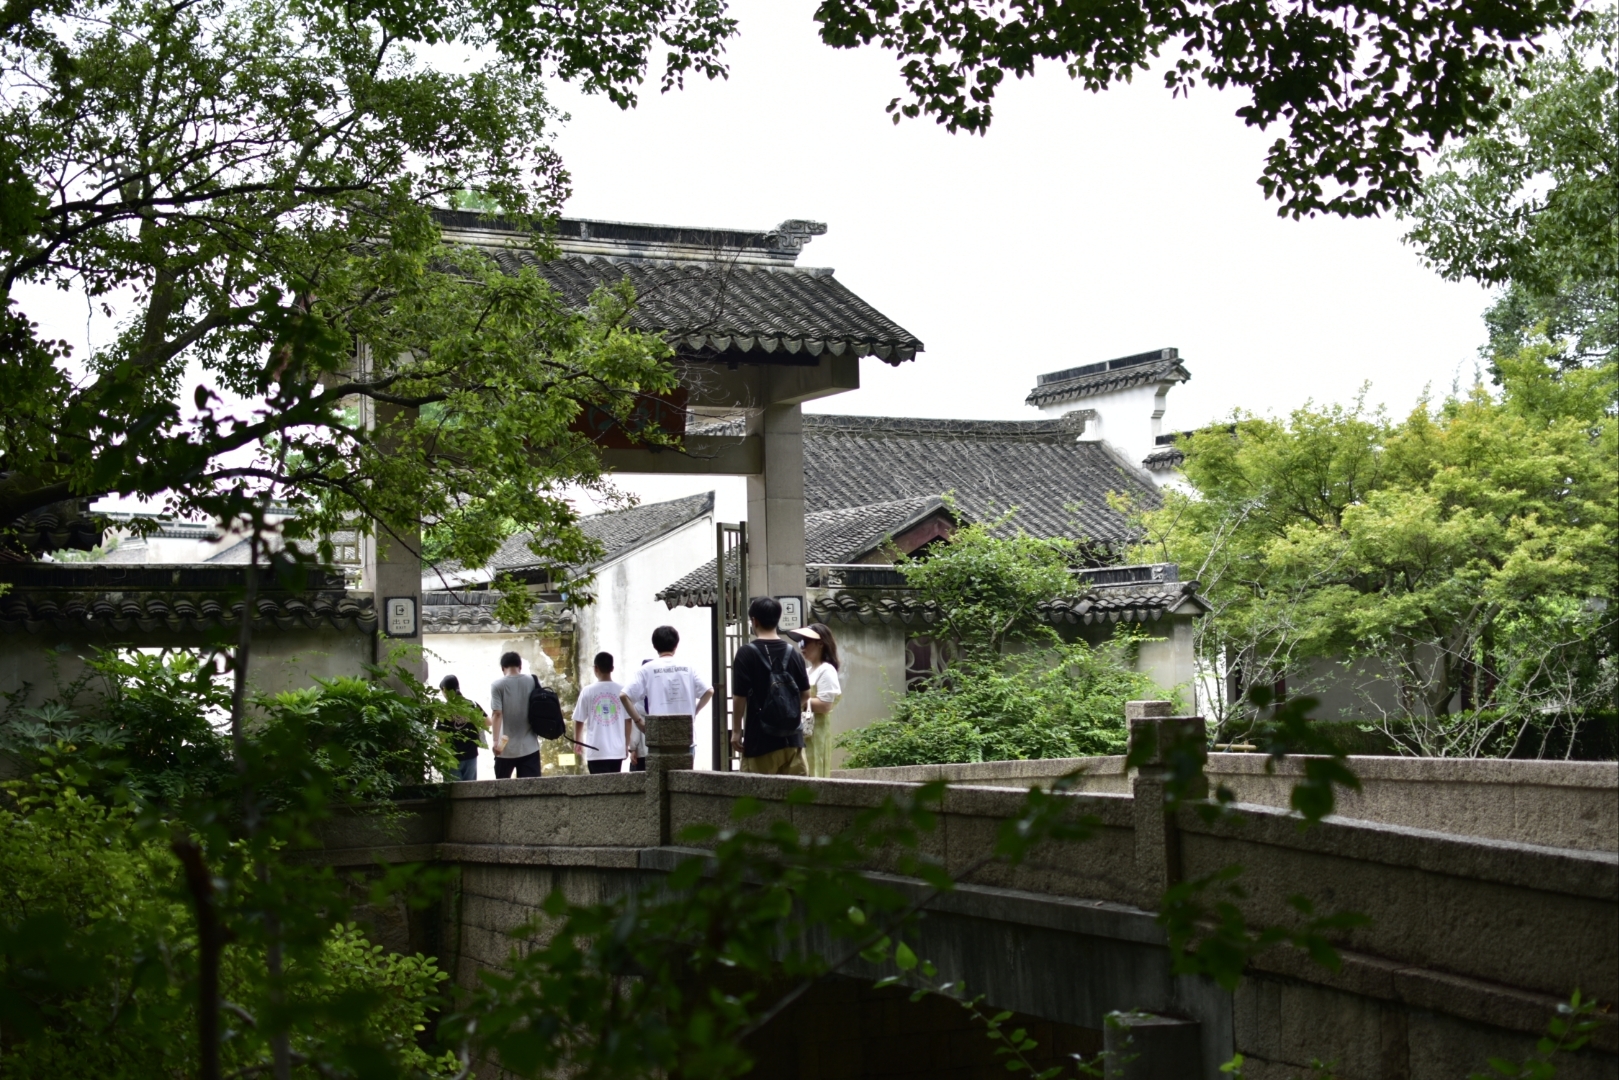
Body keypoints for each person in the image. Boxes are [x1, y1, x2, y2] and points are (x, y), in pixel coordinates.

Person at [731, 597, 812, 775]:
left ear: (755, 621)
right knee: (793, 799)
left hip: (760, 741)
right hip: (793, 742)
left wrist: (737, 731)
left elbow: (739, 697)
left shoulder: (746, 654)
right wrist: (785, 712)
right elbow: (806, 695)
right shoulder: (795, 654)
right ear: (778, 620)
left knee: (759, 799)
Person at [621, 626, 713, 769]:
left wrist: (639, 722)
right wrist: (696, 710)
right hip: (685, 736)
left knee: (659, 784)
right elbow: (709, 691)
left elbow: (624, 695)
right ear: (676, 644)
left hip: (659, 737)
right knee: (684, 781)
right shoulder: (689, 667)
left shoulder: (646, 669)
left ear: (654, 645)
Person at [789, 623, 842, 778]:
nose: (802, 647)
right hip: (803, 731)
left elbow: (825, 705)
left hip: (816, 733)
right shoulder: (808, 671)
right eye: (800, 643)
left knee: (814, 772)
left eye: (805, 642)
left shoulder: (826, 669)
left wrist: (796, 701)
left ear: (820, 644)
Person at [574, 651, 630, 774]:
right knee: (614, 788)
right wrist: (626, 745)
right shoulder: (622, 690)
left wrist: (578, 742)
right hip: (616, 751)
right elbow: (628, 720)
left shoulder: (587, 691)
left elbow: (579, 719)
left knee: (598, 789)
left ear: (596, 668)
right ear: (612, 668)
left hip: (596, 750)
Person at [489, 650, 542, 779]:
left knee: (502, 790)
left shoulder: (497, 685)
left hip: (505, 748)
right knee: (531, 790)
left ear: (503, 668)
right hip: (530, 747)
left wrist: (495, 741)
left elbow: (497, 714)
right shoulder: (532, 680)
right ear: (520, 666)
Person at [437, 674, 486, 781]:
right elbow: (488, 722)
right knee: (471, 791)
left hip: (452, 758)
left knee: (455, 794)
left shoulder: (445, 710)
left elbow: (441, 738)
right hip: (471, 756)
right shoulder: (472, 704)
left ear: (444, 689)